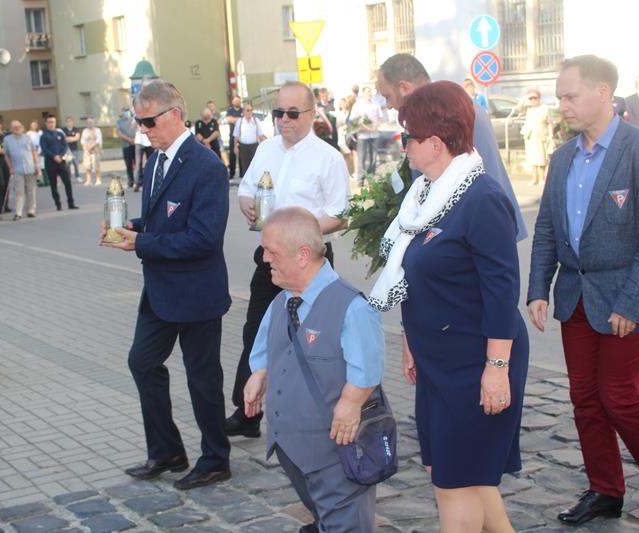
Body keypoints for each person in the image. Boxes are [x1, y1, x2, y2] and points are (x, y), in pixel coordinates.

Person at [368, 80, 527, 533]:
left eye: (408, 136)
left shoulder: (481, 199)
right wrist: (411, 339)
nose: (403, 146)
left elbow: (501, 292)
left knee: (457, 482)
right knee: (453, 471)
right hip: (438, 359)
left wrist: (496, 368)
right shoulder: (424, 196)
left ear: (435, 143)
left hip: (475, 360)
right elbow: (416, 278)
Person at [527, 55, 639, 526]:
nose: (563, 106)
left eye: (570, 96)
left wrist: (631, 302)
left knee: (619, 395)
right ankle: (605, 489)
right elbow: (547, 228)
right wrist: (538, 289)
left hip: (630, 299)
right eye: (560, 98)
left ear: (603, 93)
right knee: (585, 399)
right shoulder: (563, 158)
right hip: (576, 297)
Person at [103, 79, 232, 491]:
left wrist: (140, 242)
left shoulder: (207, 166)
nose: (143, 130)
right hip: (159, 289)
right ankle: (166, 451)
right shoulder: (155, 160)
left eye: (149, 121)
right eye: (138, 122)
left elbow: (203, 238)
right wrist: (130, 227)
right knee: (142, 362)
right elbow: (162, 220)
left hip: (196, 292)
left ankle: (215, 458)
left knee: (202, 379)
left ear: (175, 114)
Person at [244, 207, 384, 533]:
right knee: (324, 518)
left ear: (303, 255)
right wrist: (259, 374)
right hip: (292, 449)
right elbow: (267, 345)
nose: (264, 258)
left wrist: (351, 402)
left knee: (347, 526)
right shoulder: (281, 301)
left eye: (272, 251)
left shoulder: (352, 307)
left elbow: (368, 369)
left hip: (335, 453)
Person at [226, 80, 350, 439]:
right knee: (256, 331)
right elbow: (246, 189)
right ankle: (247, 412)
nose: (284, 120)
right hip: (269, 259)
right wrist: (246, 204)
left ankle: (319, 413)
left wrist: (299, 232)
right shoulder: (266, 150)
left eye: (292, 113)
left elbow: (341, 214)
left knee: (313, 339)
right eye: (278, 112)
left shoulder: (328, 157)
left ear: (312, 114)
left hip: (310, 263)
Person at [375, 53, 526, 242]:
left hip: (475, 234)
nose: (388, 105)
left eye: (387, 96)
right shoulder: (451, 106)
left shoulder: (448, 112)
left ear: (404, 87)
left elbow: (463, 184)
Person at [40, 114, 78, 211]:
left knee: (67, 182)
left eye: (53, 122)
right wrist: (54, 156)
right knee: (54, 184)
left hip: (61, 161)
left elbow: (65, 146)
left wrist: (60, 156)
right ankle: (58, 204)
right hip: (50, 162)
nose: (51, 124)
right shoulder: (44, 136)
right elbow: (44, 149)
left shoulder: (60, 134)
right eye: (49, 122)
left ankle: (71, 203)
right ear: (46, 123)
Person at [3, 120, 39, 221]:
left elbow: (34, 152)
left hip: (30, 167)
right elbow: (6, 155)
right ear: (11, 129)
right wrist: (10, 167)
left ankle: (31, 210)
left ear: (22, 127)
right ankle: (18, 212)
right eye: (14, 127)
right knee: (19, 192)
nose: (17, 129)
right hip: (17, 169)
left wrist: (37, 165)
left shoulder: (27, 138)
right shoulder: (7, 139)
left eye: (18, 127)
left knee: (31, 191)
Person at [520, 88, 553, 186]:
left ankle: (542, 179)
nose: (533, 100)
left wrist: (551, 134)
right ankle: (534, 179)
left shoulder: (545, 108)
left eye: (535, 98)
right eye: (531, 98)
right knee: (532, 158)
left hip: (542, 135)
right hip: (530, 136)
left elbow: (550, 122)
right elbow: (519, 107)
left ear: (539, 98)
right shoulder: (529, 109)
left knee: (542, 158)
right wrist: (525, 98)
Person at [349, 86, 381, 180]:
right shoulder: (357, 105)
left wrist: (376, 126)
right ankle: (361, 179)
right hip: (362, 135)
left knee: (373, 157)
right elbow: (352, 119)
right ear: (363, 94)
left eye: (370, 92)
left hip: (374, 134)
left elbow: (380, 117)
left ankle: (371, 177)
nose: (369, 94)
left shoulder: (376, 104)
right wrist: (361, 126)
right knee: (362, 157)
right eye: (367, 92)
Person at [232, 103, 265, 177]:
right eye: (247, 110)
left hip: (254, 146)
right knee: (245, 166)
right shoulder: (240, 121)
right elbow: (236, 135)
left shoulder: (256, 121)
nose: (250, 112)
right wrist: (235, 147)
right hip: (243, 147)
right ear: (244, 111)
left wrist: (263, 147)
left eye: (251, 110)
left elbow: (261, 135)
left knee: (255, 165)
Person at [116, 106, 137, 188]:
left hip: (136, 145)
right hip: (126, 145)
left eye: (127, 110)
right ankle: (130, 181)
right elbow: (119, 133)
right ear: (122, 112)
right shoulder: (119, 121)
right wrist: (129, 140)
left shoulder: (134, 119)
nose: (126, 112)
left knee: (138, 164)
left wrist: (135, 140)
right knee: (129, 164)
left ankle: (138, 180)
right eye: (124, 110)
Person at [80, 117, 103, 186]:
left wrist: (92, 146)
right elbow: (82, 140)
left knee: (96, 165)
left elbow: (99, 139)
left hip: (95, 150)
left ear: (93, 123)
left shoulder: (98, 130)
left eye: (91, 122)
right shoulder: (85, 131)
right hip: (87, 150)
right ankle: (88, 180)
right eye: (88, 123)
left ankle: (98, 179)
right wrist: (86, 147)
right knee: (87, 165)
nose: (89, 124)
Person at [225, 95, 243, 179]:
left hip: (242, 135)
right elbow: (229, 119)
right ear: (232, 102)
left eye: (238, 101)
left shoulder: (243, 110)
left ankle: (242, 173)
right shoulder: (230, 110)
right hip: (232, 135)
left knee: (241, 155)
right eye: (235, 101)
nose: (237, 102)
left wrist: (235, 119)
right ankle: (232, 173)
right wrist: (240, 119)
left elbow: (244, 120)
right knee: (232, 154)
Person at [61, 117, 81, 183]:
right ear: (66, 123)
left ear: (72, 122)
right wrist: (72, 138)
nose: (69, 123)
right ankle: (68, 177)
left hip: (75, 149)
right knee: (67, 165)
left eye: (70, 121)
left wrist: (69, 138)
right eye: (67, 121)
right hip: (66, 150)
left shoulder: (76, 129)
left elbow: (77, 138)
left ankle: (78, 176)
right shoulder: (63, 130)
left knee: (76, 164)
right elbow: (64, 139)